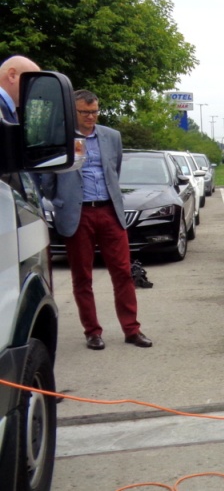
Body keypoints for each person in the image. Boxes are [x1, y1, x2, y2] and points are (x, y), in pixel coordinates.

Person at [41, 90, 152, 350]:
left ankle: (132, 330)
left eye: (94, 112)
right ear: (73, 111)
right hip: (77, 214)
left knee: (123, 273)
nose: (91, 116)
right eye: (85, 112)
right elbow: (47, 181)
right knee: (82, 276)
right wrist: (63, 200)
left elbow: (115, 170)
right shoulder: (59, 138)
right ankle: (92, 331)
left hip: (109, 211)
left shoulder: (111, 137)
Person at [0, 55, 40, 123]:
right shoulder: (2, 109)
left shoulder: (8, 110)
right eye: (31, 82)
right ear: (12, 76)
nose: (36, 90)